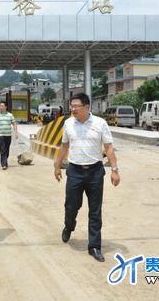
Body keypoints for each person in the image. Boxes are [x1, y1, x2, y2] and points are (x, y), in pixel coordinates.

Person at [53, 93, 120, 262]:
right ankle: (69, 226)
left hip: (95, 171)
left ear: (87, 107)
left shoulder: (100, 123)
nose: (73, 109)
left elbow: (109, 148)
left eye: (76, 106)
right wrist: (57, 165)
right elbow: (64, 146)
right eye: (72, 106)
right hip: (74, 171)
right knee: (71, 206)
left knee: (95, 210)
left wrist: (114, 169)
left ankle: (94, 246)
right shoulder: (68, 123)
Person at [0, 101, 18, 170]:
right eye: (0, 106)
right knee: (2, 149)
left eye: (2, 106)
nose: (0, 107)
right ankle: (3, 164)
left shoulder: (10, 115)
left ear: (5, 107)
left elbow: (14, 124)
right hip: (0, 134)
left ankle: (5, 161)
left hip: (8, 134)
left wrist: (16, 132)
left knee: (7, 149)